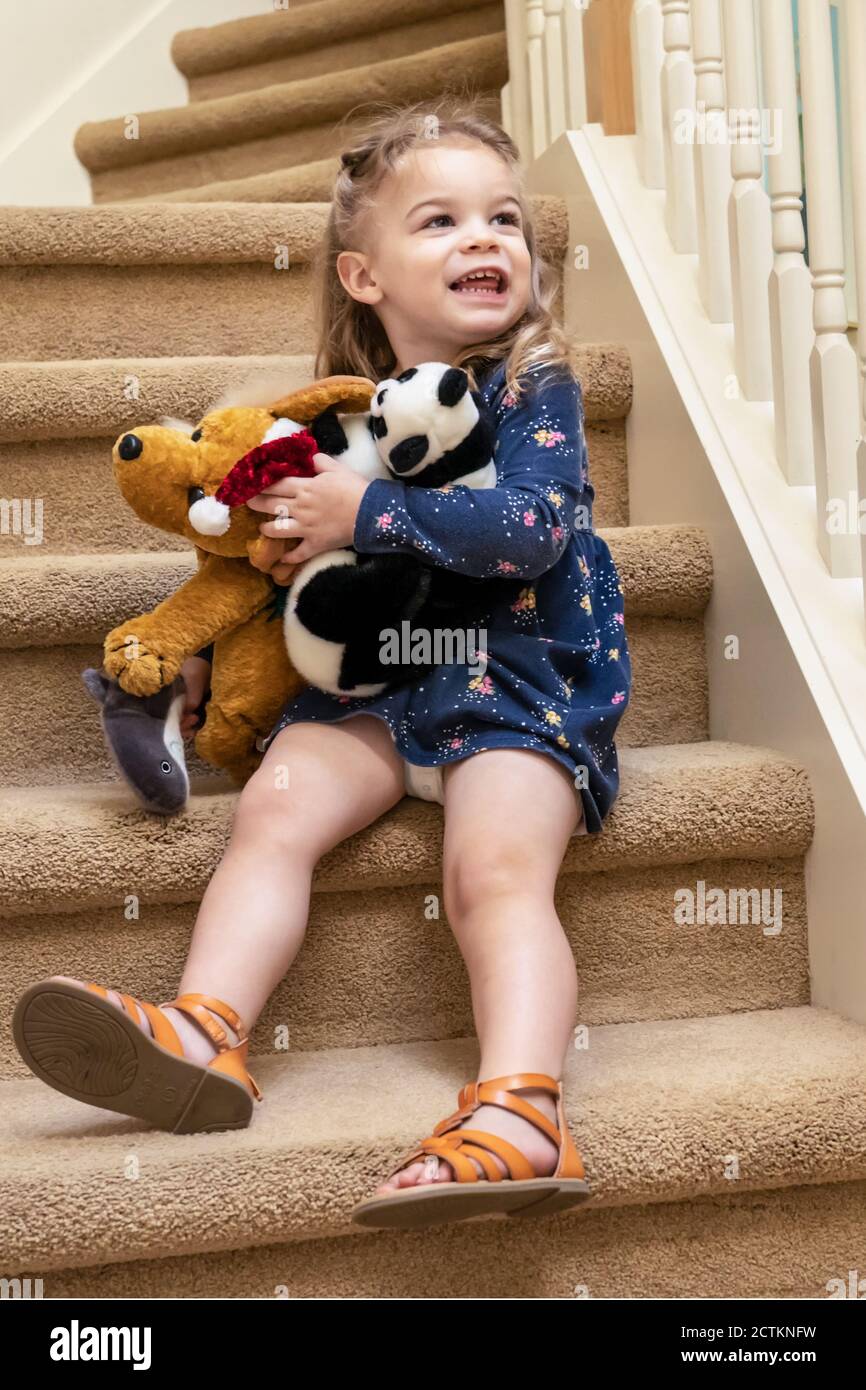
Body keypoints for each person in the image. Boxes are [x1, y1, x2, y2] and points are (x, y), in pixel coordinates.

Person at [13, 98, 631, 1230]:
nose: (485, 239)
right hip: (384, 687)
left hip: (518, 681)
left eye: (503, 220)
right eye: (439, 221)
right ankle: (209, 1029)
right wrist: (234, 647)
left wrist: (369, 511)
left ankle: (519, 1107)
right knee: (279, 801)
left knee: (488, 872)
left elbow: (530, 532)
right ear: (362, 276)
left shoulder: (531, 386)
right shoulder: (330, 432)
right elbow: (272, 571)